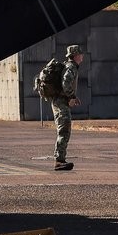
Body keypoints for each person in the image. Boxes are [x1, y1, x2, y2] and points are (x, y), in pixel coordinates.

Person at [35, 43, 84, 171]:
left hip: (60, 100)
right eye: (80, 54)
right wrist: (71, 96)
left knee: (64, 129)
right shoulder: (71, 67)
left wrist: (73, 97)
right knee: (64, 130)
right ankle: (59, 160)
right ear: (76, 55)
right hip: (61, 102)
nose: (82, 56)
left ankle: (60, 159)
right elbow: (66, 83)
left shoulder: (69, 66)